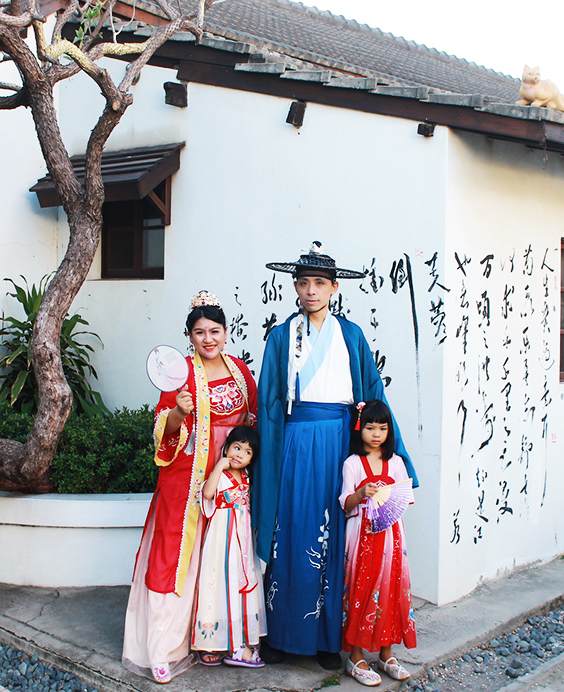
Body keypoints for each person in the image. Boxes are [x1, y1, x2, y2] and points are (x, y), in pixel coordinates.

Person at [254, 241, 418, 670]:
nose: (312, 291)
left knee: (333, 540)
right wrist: (266, 453)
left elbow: (371, 397)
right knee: (290, 531)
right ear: (295, 286)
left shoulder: (351, 335)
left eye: (320, 284)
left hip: (339, 443)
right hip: (295, 441)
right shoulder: (281, 335)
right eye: (304, 283)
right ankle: (283, 635)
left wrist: (389, 454)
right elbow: (270, 400)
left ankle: (329, 639)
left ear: (334, 288)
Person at [123, 291, 257, 684]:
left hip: (230, 479)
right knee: (174, 554)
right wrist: (180, 411)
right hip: (187, 475)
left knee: (222, 555)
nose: (208, 338)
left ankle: (214, 640)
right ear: (189, 336)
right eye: (199, 332)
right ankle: (163, 648)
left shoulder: (240, 371)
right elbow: (162, 430)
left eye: (215, 330)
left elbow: (251, 424)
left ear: (227, 333)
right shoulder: (178, 373)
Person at [339, 399, 417, 686]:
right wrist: (361, 493)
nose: (376, 434)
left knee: (391, 591)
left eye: (382, 428)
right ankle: (356, 656)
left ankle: (387, 653)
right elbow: (345, 503)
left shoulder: (396, 462)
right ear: (359, 428)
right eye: (370, 427)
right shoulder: (352, 464)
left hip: (391, 538)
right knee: (359, 590)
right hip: (361, 536)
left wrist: (385, 498)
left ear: (389, 431)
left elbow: (404, 498)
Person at [192, 425, 267, 669]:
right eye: (236, 447)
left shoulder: (246, 477)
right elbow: (208, 492)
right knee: (217, 585)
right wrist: (219, 466)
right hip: (222, 538)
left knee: (238, 585)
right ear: (226, 447)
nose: (239, 455)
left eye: (247, 452)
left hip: (243, 539)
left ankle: (239, 640)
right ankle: (210, 642)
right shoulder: (222, 475)